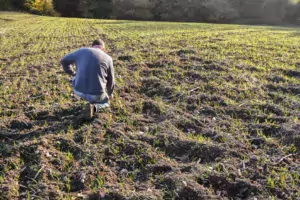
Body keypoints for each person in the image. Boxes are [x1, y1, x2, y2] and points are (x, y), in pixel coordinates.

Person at [61, 39, 115, 118]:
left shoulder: (81, 51)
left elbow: (64, 60)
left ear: (92, 46)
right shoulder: (108, 58)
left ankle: (88, 99)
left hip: (78, 91)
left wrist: (72, 73)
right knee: (106, 102)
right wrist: (110, 94)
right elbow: (111, 81)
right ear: (103, 49)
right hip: (96, 95)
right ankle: (95, 107)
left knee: (75, 78)